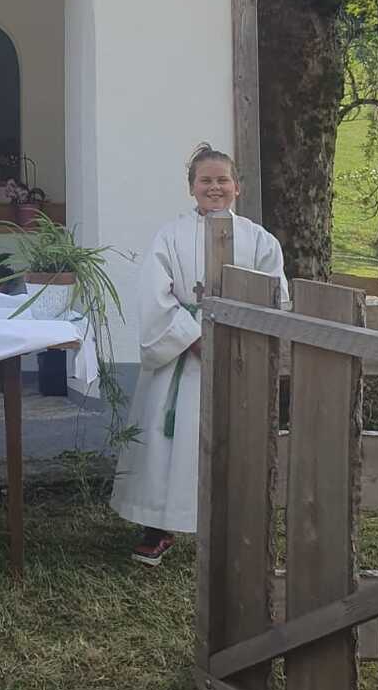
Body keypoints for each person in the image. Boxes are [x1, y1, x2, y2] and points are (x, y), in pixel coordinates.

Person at [110, 143, 288, 567]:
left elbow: (276, 296)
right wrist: (192, 337)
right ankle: (159, 527)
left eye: (222, 180)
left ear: (237, 187)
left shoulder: (259, 240)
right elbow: (154, 295)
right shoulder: (170, 236)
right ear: (191, 187)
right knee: (168, 443)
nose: (214, 187)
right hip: (181, 360)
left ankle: (238, 529)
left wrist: (237, 339)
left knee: (236, 441)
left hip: (239, 356)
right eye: (205, 180)